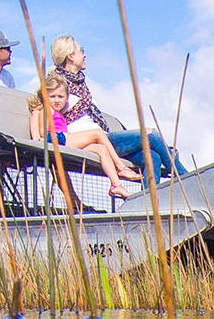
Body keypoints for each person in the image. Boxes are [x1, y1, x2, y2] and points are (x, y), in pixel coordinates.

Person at [47, 34, 182, 181]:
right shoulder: (57, 84)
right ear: (70, 56)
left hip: (103, 138)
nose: (84, 55)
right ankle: (185, 178)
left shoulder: (79, 83)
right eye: (81, 50)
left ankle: (148, 201)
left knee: (152, 156)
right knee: (150, 134)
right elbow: (45, 111)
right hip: (89, 138)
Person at [30, 67, 144, 200]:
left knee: (101, 149)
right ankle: (120, 166)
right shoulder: (42, 110)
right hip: (57, 139)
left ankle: (116, 185)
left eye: (61, 97)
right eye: (52, 97)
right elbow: (37, 134)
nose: (57, 100)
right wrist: (40, 138)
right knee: (97, 133)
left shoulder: (59, 113)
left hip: (65, 140)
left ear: (66, 98)